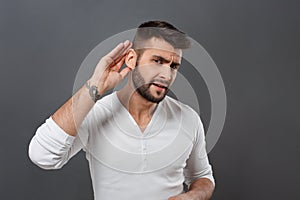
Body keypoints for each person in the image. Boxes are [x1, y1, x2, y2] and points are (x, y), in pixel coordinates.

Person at [28, 21, 215, 200]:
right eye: (157, 61)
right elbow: (42, 156)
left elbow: (202, 176)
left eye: (173, 66)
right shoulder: (95, 114)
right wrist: (95, 86)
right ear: (132, 59)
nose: (166, 75)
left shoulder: (188, 118)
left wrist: (193, 196)